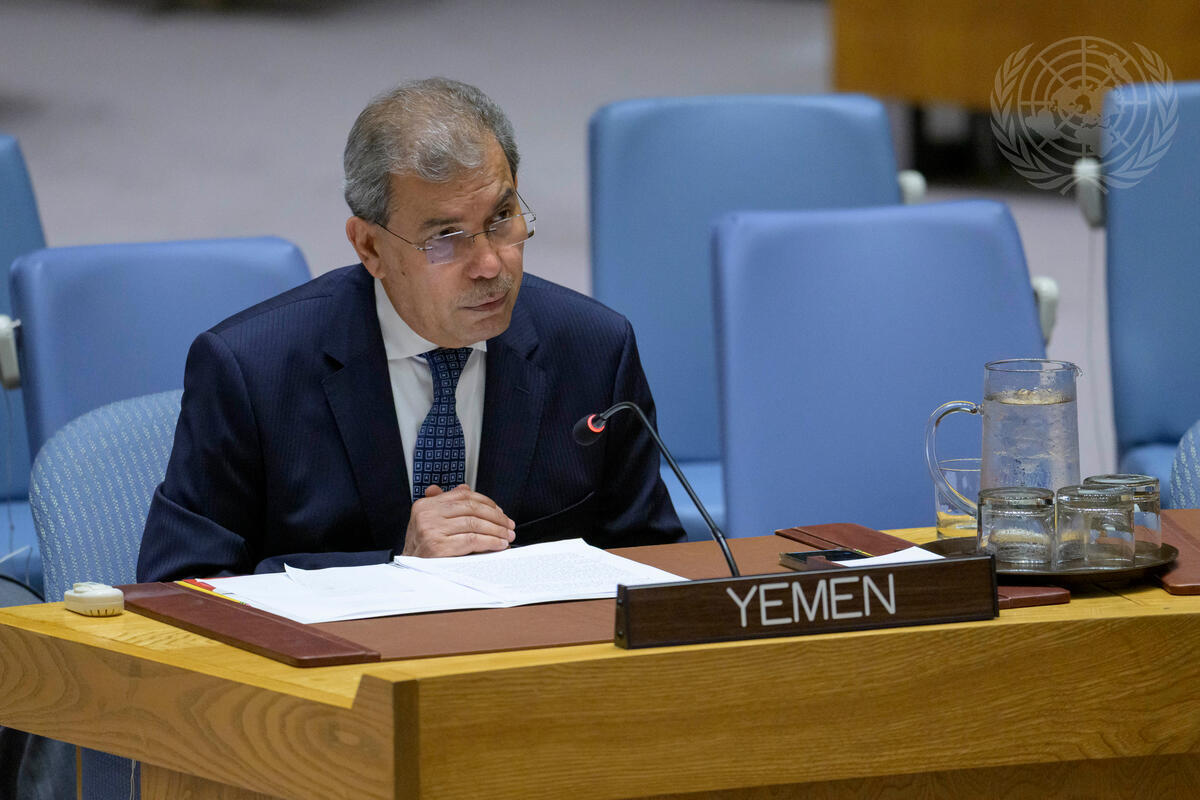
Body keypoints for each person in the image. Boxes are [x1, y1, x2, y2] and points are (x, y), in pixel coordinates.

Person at [137, 78, 683, 582]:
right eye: (446, 238)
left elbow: (652, 566)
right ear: (370, 247)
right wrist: (397, 567)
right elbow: (182, 586)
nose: (490, 264)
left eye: (501, 219)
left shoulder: (594, 349)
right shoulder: (251, 370)